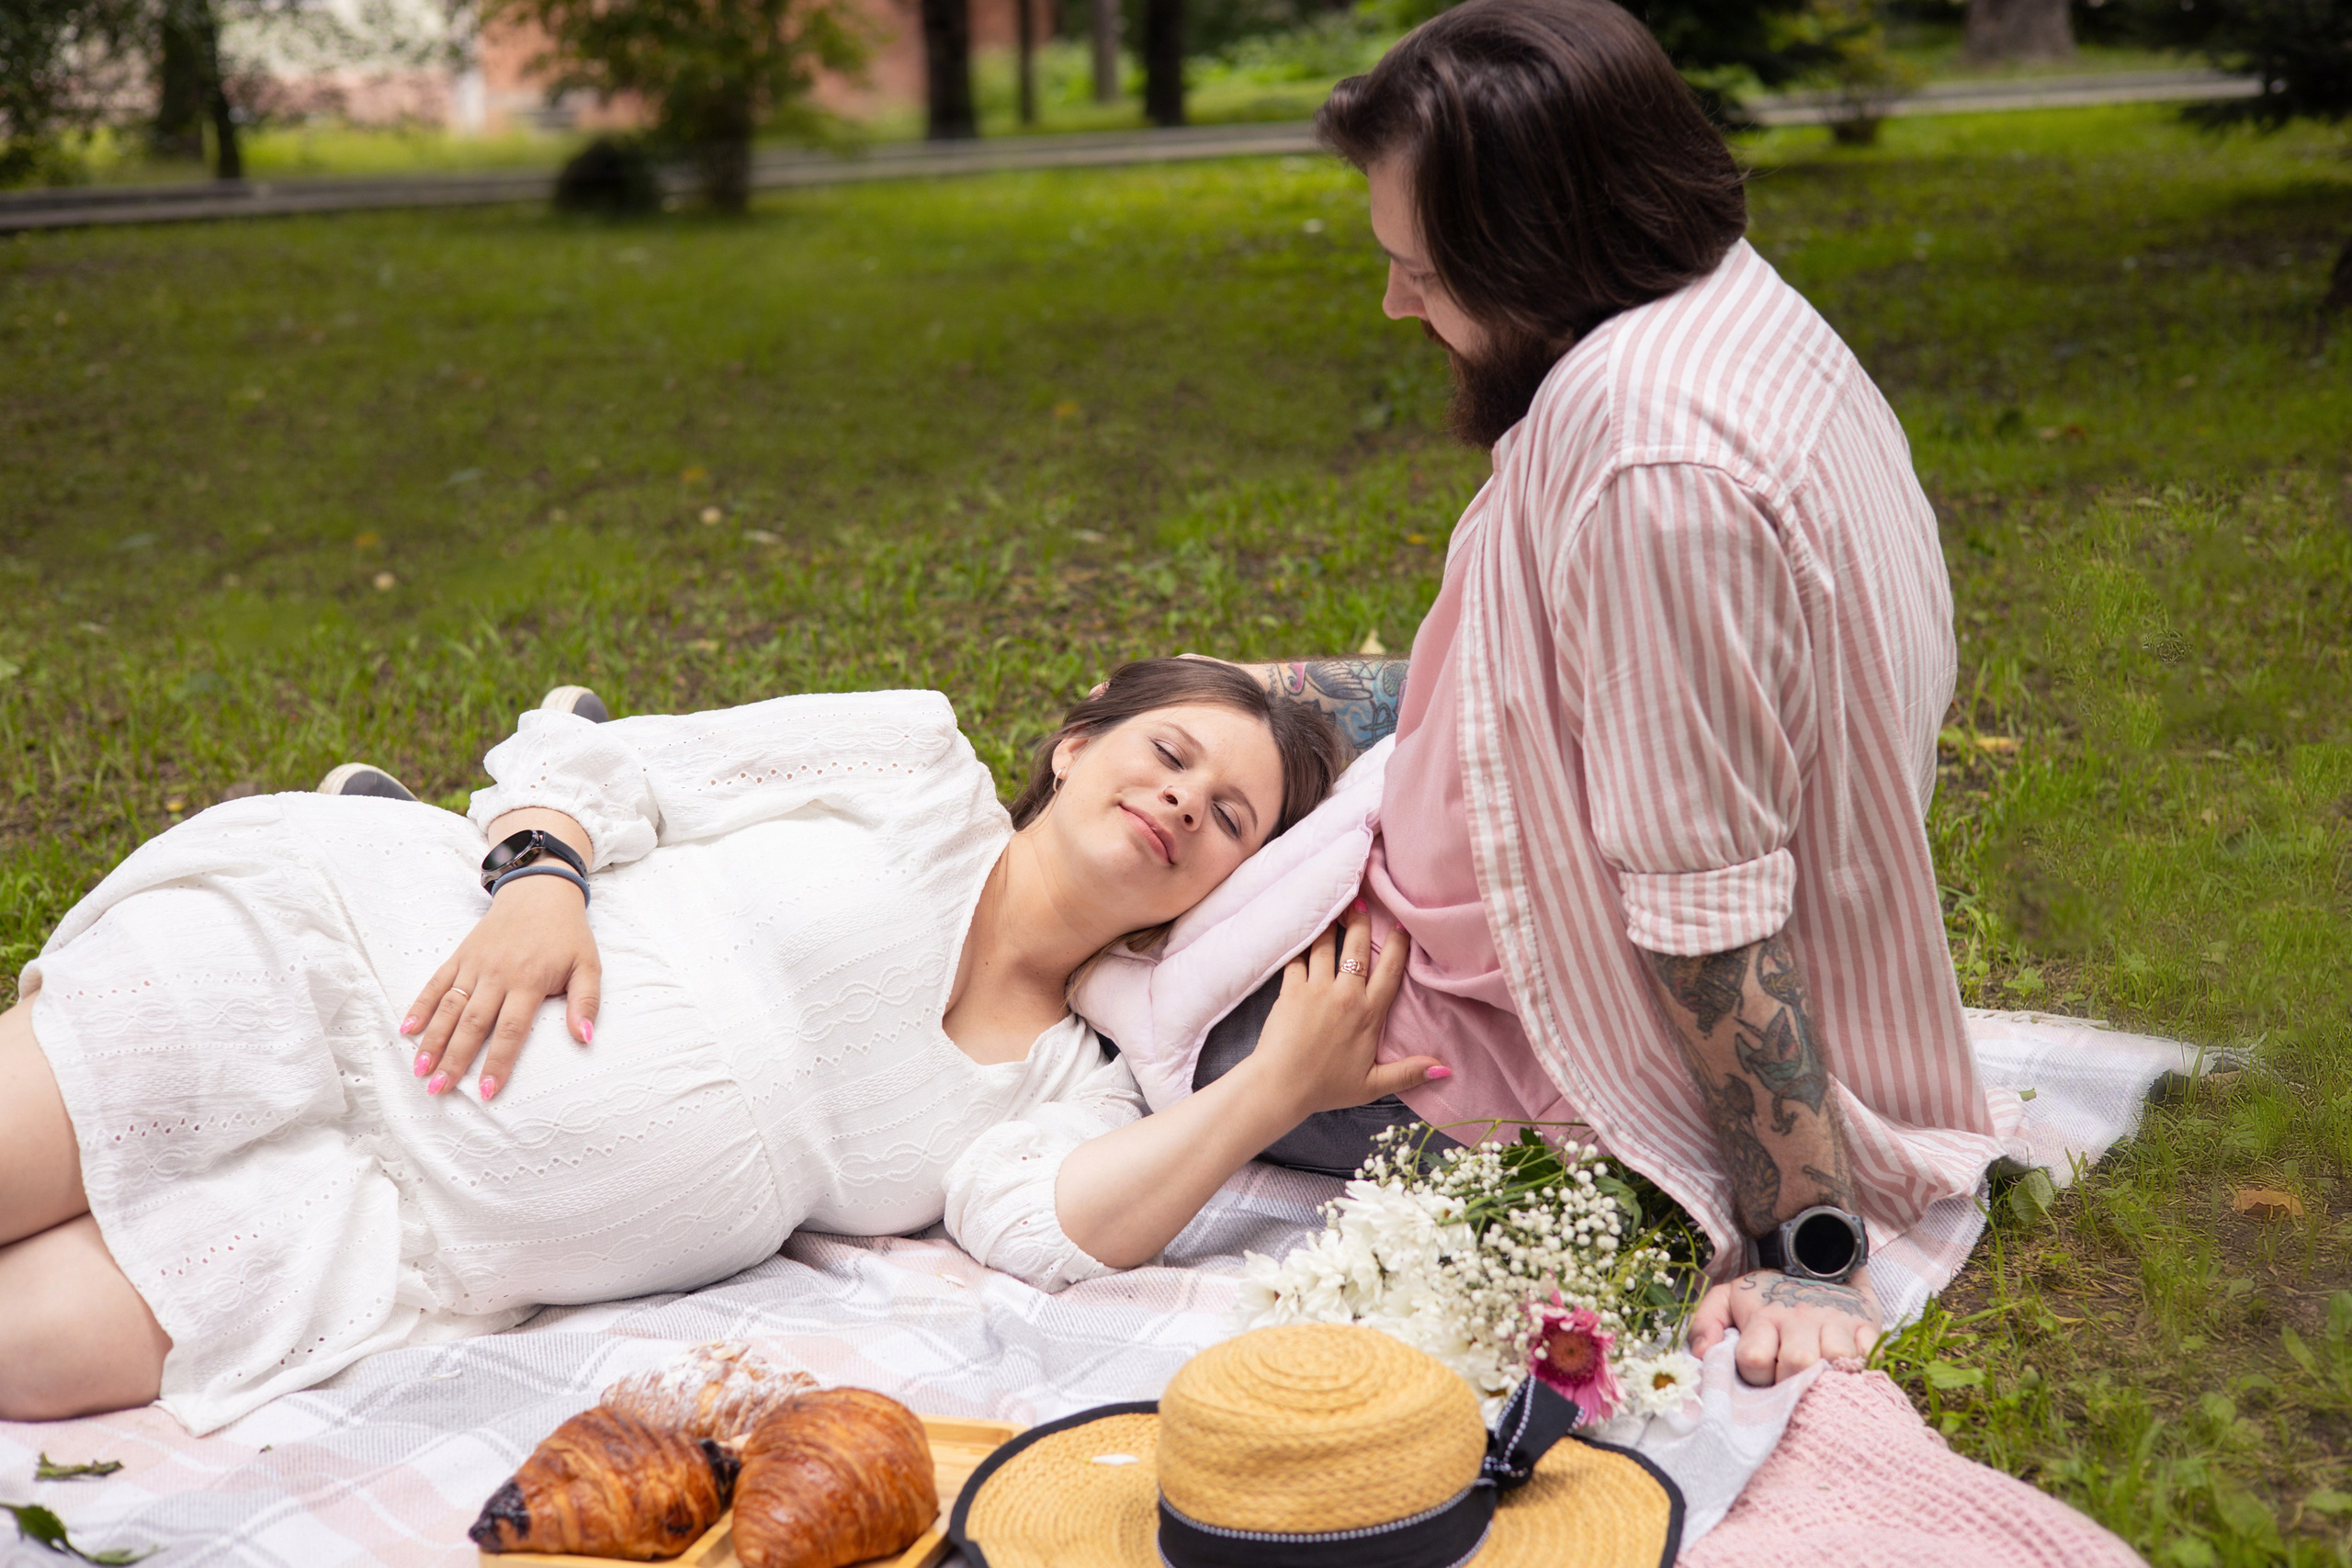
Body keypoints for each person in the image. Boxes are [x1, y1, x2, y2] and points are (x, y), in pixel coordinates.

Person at [1199, 0, 2020, 1387]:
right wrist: (1294, 693)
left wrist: (1804, 1253)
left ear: (1535, 248)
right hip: (1480, 898)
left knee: (1164, 1006)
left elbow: (1713, 901)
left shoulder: (1652, 472)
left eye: (1418, 264)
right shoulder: (1714, 305)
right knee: (1152, 796)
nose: (1394, 299)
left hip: (1524, 1035)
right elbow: (1580, 685)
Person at [0, 660, 1440, 1432]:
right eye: (1171, 754)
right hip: (339, 986)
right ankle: (381, 811)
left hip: (390, 1238)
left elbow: (1055, 1230)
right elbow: (610, 765)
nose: (1186, 803)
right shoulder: (912, 769)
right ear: (1075, 747)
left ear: (1224, 890)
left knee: (34, 1358)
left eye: (1234, 818)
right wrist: (539, 882)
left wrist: (1273, 1092)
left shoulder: (1074, 1077)